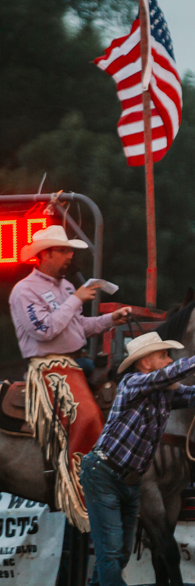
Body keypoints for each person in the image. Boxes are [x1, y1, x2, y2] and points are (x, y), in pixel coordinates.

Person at [69, 333, 195, 586]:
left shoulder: (163, 393)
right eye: (164, 355)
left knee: (117, 551)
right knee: (112, 549)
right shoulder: (132, 383)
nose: (169, 360)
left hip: (127, 479)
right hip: (104, 473)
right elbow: (172, 374)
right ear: (147, 363)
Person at [8, 225, 133, 530]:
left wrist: (108, 320)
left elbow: (78, 326)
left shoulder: (64, 288)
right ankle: (84, 493)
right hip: (48, 368)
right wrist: (76, 298)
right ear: (45, 254)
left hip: (76, 364)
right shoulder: (24, 290)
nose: (69, 256)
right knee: (87, 414)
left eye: (69, 250)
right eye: (63, 251)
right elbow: (45, 330)